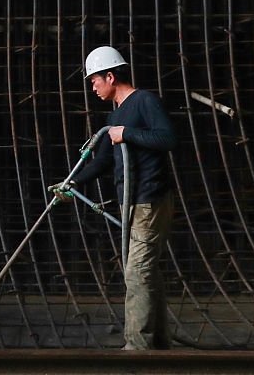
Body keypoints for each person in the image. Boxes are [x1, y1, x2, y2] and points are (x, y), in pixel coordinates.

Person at [51, 45, 177, 350]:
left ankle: (137, 347)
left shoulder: (144, 101)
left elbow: (168, 138)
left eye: (95, 79)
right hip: (130, 202)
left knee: (137, 272)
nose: (92, 86)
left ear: (110, 76)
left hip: (150, 199)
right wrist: (71, 183)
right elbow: (103, 160)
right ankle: (159, 342)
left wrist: (127, 134)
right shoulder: (117, 114)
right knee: (146, 272)